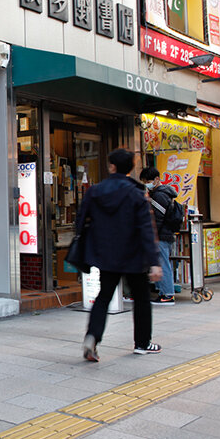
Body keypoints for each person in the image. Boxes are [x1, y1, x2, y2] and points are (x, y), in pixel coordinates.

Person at [77, 148, 163, 362]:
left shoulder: (95, 191)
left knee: (104, 297)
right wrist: (154, 262)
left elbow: (80, 220)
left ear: (111, 166)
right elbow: (146, 228)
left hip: (106, 255)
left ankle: (92, 336)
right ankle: (142, 343)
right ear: (132, 168)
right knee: (142, 298)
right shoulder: (137, 193)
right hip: (134, 257)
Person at [140, 167, 178, 305]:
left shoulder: (160, 195)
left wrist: (152, 235)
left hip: (162, 235)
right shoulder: (163, 193)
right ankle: (163, 292)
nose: (146, 184)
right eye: (144, 181)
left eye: (148, 181)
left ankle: (167, 295)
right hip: (165, 234)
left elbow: (157, 219)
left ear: (157, 179)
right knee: (162, 263)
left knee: (162, 264)